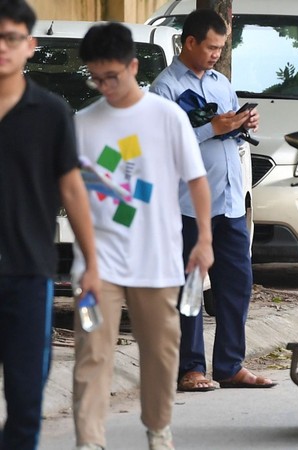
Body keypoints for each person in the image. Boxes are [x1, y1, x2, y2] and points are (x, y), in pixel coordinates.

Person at [69, 23, 214, 450]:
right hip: (96, 267)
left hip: (157, 263)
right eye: (96, 78)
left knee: (161, 354)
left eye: (112, 76)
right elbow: (72, 189)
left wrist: (204, 239)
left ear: (134, 66)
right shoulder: (81, 124)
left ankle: (157, 429)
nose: (105, 86)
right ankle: (89, 442)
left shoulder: (167, 117)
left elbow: (197, 181)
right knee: (91, 353)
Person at [150, 9, 274, 391]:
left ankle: (230, 365)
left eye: (221, 48)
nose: (217, 54)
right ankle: (191, 368)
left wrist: (241, 124)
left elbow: (230, 133)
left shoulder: (222, 84)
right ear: (190, 42)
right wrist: (209, 128)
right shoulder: (164, 88)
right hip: (187, 206)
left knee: (237, 284)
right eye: (211, 47)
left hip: (231, 202)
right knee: (189, 287)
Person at [0, 1, 99, 448]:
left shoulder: (50, 112)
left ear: (30, 46)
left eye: (11, 38)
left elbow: (73, 190)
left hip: (28, 271)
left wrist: (91, 261)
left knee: (25, 400)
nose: (2, 47)